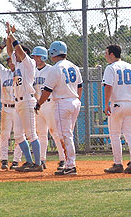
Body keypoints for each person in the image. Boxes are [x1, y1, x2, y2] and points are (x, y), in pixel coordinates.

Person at [35, 41, 83, 176]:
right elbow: (80, 86)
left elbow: (47, 90)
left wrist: (39, 103)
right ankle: (69, 163)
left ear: (53, 53)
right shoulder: (73, 66)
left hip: (63, 103)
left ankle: (70, 166)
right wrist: (76, 100)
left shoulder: (55, 68)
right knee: (68, 134)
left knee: (65, 136)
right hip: (74, 101)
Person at [5, 23, 43, 172]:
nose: (15, 55)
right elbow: (10, 51)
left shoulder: (29, 63)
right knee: (19, 135)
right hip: (18, 103)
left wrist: (13, 37)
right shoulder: (18, 64)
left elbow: (18, 50)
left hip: (27, 100)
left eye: (17, 54)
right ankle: (28, 161)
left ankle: (38, 164)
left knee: (31, 134)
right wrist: (8, 35)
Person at [102, 44, 131, 174]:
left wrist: (106, 104)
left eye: (106, 53)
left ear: (112, 54)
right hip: (130, 103)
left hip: (117, 104)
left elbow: (108, 86)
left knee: (114, 135)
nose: (105, 55)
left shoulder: (110, 68)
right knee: (129, 134)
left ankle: (118, 164)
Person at [0, 40, 24, 170]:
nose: (10, 63)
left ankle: (16, 160)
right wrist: (1, 47)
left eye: (12, 61)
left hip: (19, 107)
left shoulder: (23, 71)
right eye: (9, 61)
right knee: (4, 134)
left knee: (19, 135)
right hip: (6, 108)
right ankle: (4, 159)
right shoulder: (4, 72)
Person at [31, 46, 66, 171]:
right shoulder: (33, 71)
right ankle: (41, 159)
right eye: (34, 56)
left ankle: (63, 159)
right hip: (38, 105)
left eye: (37, 56)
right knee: (41, 134)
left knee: (55, 133)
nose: (35, 58)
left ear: (44, 57)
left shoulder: (51, 70)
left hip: (50, 104)